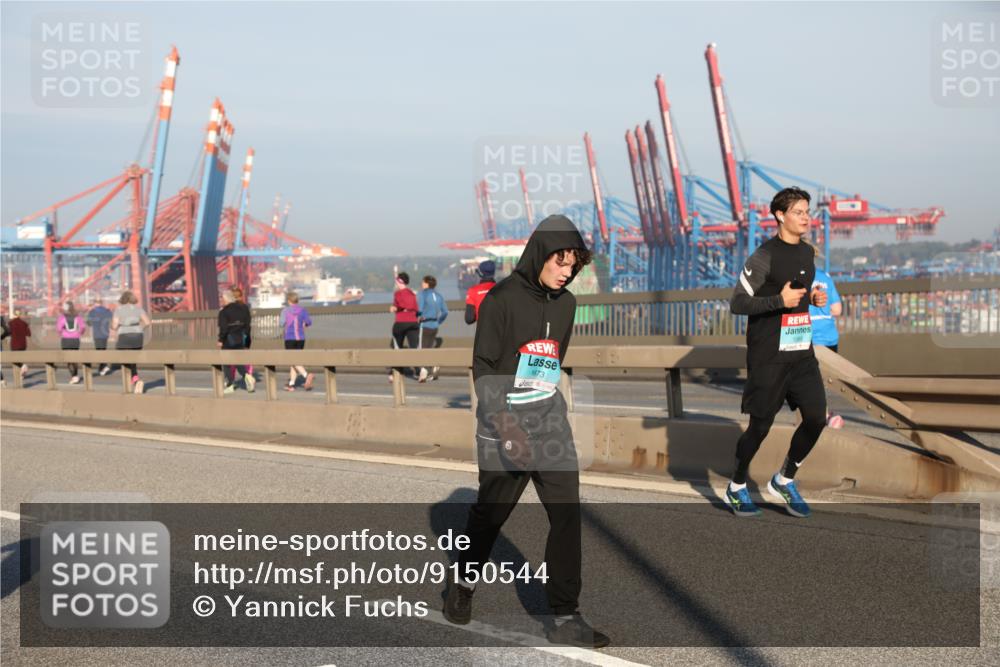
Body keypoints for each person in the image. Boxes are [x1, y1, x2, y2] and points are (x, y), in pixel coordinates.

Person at [443, 214, 610, 649]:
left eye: (573, 264)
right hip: (502, 425)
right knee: (490, 517)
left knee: (567, 516)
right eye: (560, 261)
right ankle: (462, 584)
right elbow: (483, 367)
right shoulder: (500, 300)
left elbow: (552, 363)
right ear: (539, 254)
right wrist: (505, 425)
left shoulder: (568, 304)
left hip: (549, 422)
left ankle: (565, 615)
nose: (566, 271)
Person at [726, 187, 829, 519]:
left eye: (807, 212)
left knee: (816, 418)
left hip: (801, 351)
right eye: (798, 212)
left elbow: (795, 292)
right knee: (760, 426)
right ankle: (737, 486)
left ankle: (784, 479)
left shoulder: (807, 253)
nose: (805, 218)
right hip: (769, 353)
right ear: (780, 215)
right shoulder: (763, 255)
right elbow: (738, 302)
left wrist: (810, 299)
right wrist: (777, 302)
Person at [810, 257, 844, 429]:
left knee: (809, 380)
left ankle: (821, 414)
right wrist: (823, 311)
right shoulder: (826, 277)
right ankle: (823, 413)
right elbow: (837, 309)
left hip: (809, 337)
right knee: (821, 379)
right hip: (830, 337)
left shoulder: (796, 279)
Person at [111, 291, 151, 394]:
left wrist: (115, 327)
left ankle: (135, 381)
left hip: (124, 336)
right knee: (133, 360)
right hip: (138, 336)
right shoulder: (139, 309)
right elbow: (147, 322)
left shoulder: (118, 310)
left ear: (123, 299)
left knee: (124, 359)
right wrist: (138, 328)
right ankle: (135, 380)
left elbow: (114, 326)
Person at [218, 286, 255, 394]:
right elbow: (248, 325)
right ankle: (247, 376)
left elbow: (224, 329)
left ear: (226, 299)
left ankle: (230, 384)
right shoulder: (243, 308)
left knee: (226, 362)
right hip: (241, 338)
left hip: (229, 340)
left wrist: (220, 340)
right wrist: (246, 337)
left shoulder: (223, 312)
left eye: (221, 299)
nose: (220, 301)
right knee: (237, 360)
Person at [388, 272, 420, 382]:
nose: (396, 283)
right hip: (413, 322)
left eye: (397, 281)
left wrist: (394, 308)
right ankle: (419, 371)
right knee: (414, 348)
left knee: (396, 347)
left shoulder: (398, 294)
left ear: (400, 282)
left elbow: (401, 305)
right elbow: (416, 308)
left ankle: (395, 372)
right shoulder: (412, 293)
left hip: (401, 322)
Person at [279, 291, 314, 391]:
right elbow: (309, 322)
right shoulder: (303, 310)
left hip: (290, 338)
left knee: (292, 360)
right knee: (294, 361)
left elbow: (281, 324)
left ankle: (306, 375)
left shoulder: (285, 311)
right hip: (301, 339)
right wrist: (304, 324)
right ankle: (291, 384)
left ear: (289, 300)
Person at [416, 275, 448, 383]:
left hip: (425, 325)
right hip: (435, 325)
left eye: (423, 282)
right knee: (429, 348)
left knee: (422, 349)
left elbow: (419, 309)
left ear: (426, 283)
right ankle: (434, 365)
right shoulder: (438, 296)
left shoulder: (423, 294)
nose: (421, 284)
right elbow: (445, 312)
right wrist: (438, 321)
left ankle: (423, 372)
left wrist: (417, 317)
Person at [57, 301, 86, 384]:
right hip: (75, 339)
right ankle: (76, 375)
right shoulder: (78, 317)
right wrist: (79, 333)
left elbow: (59, 328)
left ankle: (73, 376)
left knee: (68, 358)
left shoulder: (62, 317)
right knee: (75, 357)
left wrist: (62, 333)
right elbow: (82, 327)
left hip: (66, 339)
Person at [464, 260, 497, 325]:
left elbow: (469, 319)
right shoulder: (502, 288)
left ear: (480, 273)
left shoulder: (473, 291)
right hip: (502, 331)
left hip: (483, 331)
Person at [87, 298, 114, 376]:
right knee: (103, 350)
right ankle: (102, 367)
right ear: (101, 303)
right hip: (105, 333)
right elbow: (111, 319)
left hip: (97, 334)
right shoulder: (107, 311)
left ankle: (103, 367)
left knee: (99, 351)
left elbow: (89, 323)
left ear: (95, 303)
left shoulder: (92, 312)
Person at [8, 309, 31, 381]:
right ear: (20, 314)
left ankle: (23, 366)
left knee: (14, 359)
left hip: (15, 344)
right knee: (20, 358)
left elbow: (9, 332)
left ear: (14, 314)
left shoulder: (11, 323)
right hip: (23, 344)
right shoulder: (24, 323)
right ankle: (21, 375)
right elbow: (29, 334)